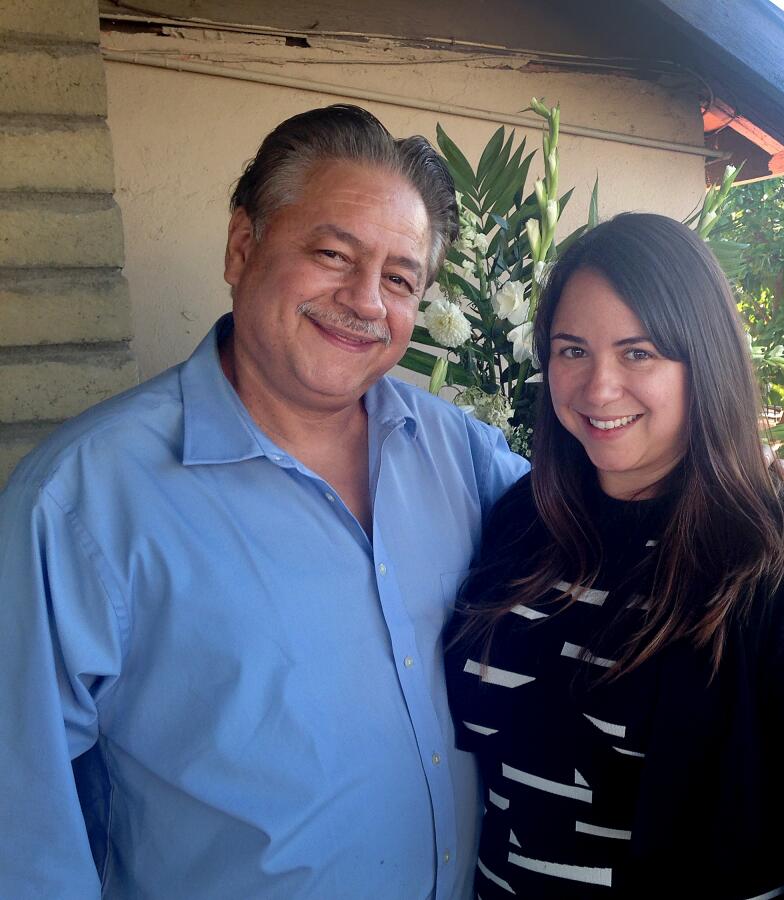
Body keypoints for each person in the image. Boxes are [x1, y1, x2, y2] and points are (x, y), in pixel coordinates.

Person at [0, 105, 528, 898]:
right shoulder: (80, 503)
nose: (364, 301)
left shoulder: (460, 454)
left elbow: (611, 547)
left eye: (399, 278)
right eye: (331, 253)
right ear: (242, 247)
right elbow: (24, 823)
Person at [445, 214, 784, 898]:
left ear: (704, 360)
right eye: (572, 350)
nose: (598, 387)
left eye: (639, 353)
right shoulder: (521, 524)